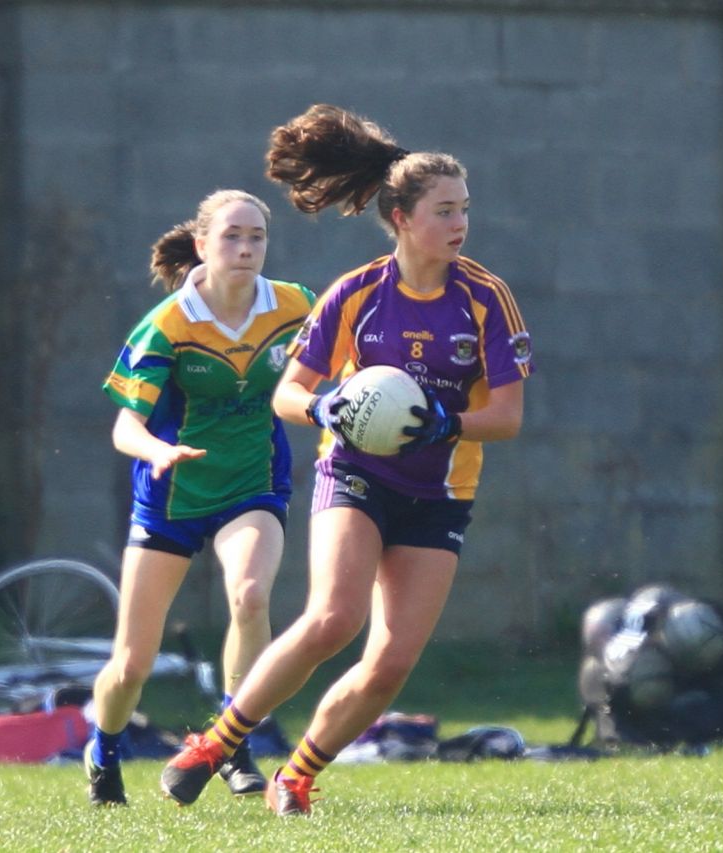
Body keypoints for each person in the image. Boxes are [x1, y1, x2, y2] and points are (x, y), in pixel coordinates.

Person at [160, 104, 534, 816]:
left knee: (390, 663)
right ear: (401, 217)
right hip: (355, 473)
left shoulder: (486, 298)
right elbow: (289, 395)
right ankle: (214, 743)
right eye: (444, 210)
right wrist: (327, 408)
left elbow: (508, 418)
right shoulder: (356, 293)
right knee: (333, 617)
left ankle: (295, 774)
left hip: (440, 488)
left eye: (466, 209)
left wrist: (446, 423)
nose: (460, 224)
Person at [86, 190, 315, 806]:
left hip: (253, 483)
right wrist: (156, 450)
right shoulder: (167, 324)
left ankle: (231, 739)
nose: (246, 249)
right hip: (171, 494)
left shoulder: (295, 306)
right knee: (132, 664)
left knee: (250, 595)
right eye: (232, 236)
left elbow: (341, 365)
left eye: (257, 237)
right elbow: (125, 427)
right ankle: (103, 750)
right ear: (202, 245)